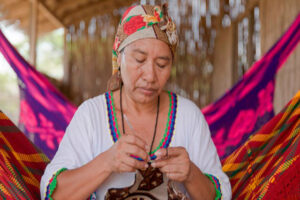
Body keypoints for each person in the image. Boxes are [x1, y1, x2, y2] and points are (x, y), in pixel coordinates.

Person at [40, 4, 231, 200]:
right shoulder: (91, 115)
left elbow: (222, 196)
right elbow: (54, 194)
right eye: (139, 60)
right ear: (118, 57)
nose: (150, 75)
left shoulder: (189, 116)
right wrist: (107, 162)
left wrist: (191, 174)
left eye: (161, 64)